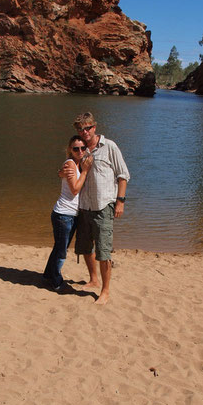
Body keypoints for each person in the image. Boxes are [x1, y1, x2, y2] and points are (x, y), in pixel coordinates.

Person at [63, 112, 130, 305]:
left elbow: (123, 175)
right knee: (85, 247)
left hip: (103, 206)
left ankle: (105, 291)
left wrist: (120, 201)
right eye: (80, 129)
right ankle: (93, 279)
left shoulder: (109, 147)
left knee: (103, 251)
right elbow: (67, 169)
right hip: (84, 207)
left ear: (95, 127)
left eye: (88, 128)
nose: (84, 132)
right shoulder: (80, 149)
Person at [43, 135, 93, 291]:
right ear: (70, 150)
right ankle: (56, 281)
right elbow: (75, 189)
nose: (80, 151)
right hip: (63, 214)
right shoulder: (71, 165)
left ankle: (48, 275)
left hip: (71, 215)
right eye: (75, 148)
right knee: (61, 250)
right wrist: (85, 172)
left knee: (59, 247)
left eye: (83, 148)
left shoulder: (78, 164)